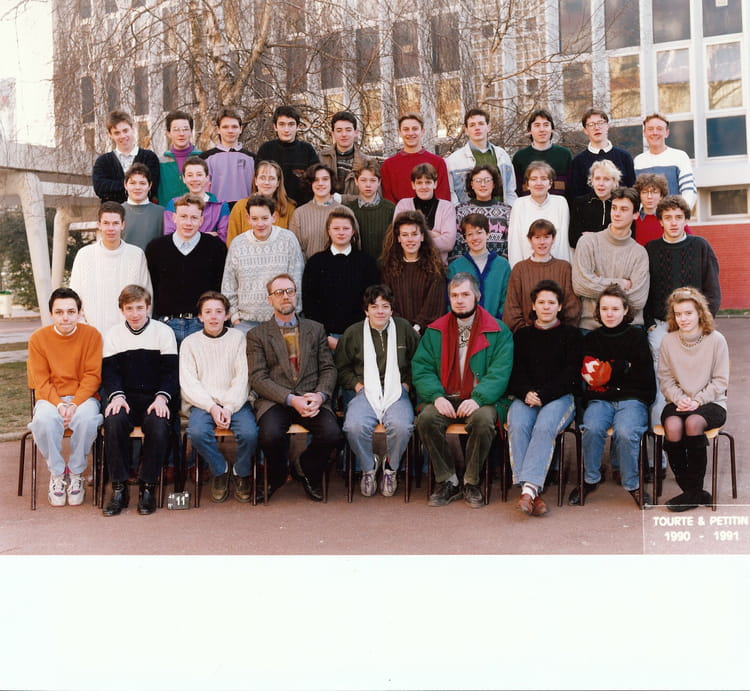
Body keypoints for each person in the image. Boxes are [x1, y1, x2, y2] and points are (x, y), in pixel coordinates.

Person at [412, 272, 513, 508]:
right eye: (454, 295)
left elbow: (500, 372)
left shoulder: (498, 331)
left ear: (477, 296)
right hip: (445, 396)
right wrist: (436, 396)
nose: (459, 300)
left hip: (481, 400)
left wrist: (478, 398)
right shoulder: (435, 330)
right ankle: (448, 479)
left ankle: (471, 481)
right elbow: (422, 368)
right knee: (426, 419)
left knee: (483, 420)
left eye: (465, 294)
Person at [248, 273, 343, 502]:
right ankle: (278, 474)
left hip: (310, 396)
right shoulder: (257, 335)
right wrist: (291, 399)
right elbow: (258, 378)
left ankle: (305, 467)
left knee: (332, 434)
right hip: (276, 399)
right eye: (279, 292)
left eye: (289, 291)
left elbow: (328, 368)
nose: (285, 296)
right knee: (269, 435)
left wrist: (320, 396)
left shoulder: (315, 329)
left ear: (296, 295)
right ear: (270, 299)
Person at [568, 284, 655, 507]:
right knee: (592, 427)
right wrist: (622, 366)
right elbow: (591, 376)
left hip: (632, 400)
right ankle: (590, 479)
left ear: (625, 310)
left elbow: (642, 375)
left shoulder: (637, 337)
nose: (609, 314)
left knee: (625, 432)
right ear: (598, 311)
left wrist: (607, 370)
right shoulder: (591, 339)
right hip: (600, 400)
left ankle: (632, 484)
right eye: (605, 308)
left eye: (615, 309)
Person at [644, 195, 720, 438]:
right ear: (660, 221)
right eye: (668, 217)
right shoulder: (651, 249)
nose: (674, 222)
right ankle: (662, 450)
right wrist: (649, 324)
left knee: (694, 383)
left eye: (679, 217)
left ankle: (691, 440)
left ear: (686, 219)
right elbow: (645, 291)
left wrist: (703, 324)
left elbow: (712, 290)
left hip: (694, 327)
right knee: (661, 387)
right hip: (661, 327)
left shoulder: (700, 246)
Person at [334, 284, 420, 497]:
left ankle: (390, 467)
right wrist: (357, 385)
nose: (380, 311)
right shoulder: (353, 333)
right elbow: (341, 367)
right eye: (374, 306)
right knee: (353, 427)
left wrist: (407, 384)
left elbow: (419, 361)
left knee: (402, 427)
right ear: (366, 310)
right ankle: (368, 467)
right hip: (366, 391)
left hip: (396, 391)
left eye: (385, 306)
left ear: (392, 310)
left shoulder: (404, 329)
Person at [101, 284, 178, 516]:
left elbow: (171, 373)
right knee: (114, 420)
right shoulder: (113, 334)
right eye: (129, 308)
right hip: (126, 398)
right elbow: (110, 372)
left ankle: (148, 487)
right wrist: (116, 396)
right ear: (121, 310)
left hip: (156, 398)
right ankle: (119, 488)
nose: (135, 314)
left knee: (158, 423)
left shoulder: (163, 332)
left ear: (148, 307)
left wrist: (162, 398)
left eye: (139, 308)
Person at [507, 280, 582, 516]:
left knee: (543, 427)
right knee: (517, 424)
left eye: (551, 302)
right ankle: (532, 493)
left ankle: (527, 490)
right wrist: (525, 393)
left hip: (559, 397)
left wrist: (544, 395)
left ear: (560, 306)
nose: (546, 307)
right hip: (527, 396)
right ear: (533, 306)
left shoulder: (571, 335)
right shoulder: (522, 336)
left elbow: (571, 375)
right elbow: (515, 372)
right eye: (541, 302)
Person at [180, 291, 258, 503]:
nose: (213, 317)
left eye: (218, 312)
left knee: (250, 434)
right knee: (196, 432)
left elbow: (243, 377)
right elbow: (189, 382)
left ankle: (241, 472)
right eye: (208, 312)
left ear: (227, 315)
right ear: (200, 317)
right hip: (203, 403)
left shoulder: (238, 339)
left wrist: (229, 407)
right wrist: (212, 407)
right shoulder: (190, 343)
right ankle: (220, 469)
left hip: (236, 402)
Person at [27, 288, 103, 507]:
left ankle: (76, 472)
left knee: (87, 419)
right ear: (51, 314)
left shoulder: (92, 335)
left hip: (84, 397)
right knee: (43, 421)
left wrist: (74, 404)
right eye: (59, 312)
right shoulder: (38, 339)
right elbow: (41, 381)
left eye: (71, 311)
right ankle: (58, 474)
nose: (65, 317)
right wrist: (60, 405)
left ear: (79, 312)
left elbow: (92, 376)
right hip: (51, 398)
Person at [658, 287, 729, 511]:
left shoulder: (716, 340)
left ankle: (691, 494)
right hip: (678, 402)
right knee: (672, 425)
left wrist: (697, 401)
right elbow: (665, 379)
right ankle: (693, 491)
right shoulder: (668, 341)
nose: (683, 319)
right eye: (678, 314)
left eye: (688, 313)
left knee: (693, 422)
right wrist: (680, 399)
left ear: (699, 312)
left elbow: (720, 381)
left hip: (711, 403)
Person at [146, 194, 227, 347]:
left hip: (202, 324)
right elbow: (153, 288)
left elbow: (220, 287)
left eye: (194, 218)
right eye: (183, 216)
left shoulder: (216, 247)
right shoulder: (156, 248)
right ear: (174, 218)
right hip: (166, 325)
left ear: (201, 220)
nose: (188, 223)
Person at [221, 194, 304, 333]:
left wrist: (292, 316)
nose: (260, 224)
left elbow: (297, 280)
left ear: (274, 217)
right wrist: (235, 318)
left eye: (265, 218)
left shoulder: (288, 240)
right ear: (248, 218)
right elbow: (229, 284)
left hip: (282, 320)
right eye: (255, 219)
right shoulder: (238, 244)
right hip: (246, 323)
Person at [301, 206, 379, 349]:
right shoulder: (315, 263)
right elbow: (309, 303)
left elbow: (372, 299)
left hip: (359, 336)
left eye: (346, 228)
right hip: (324, 338)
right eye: (336, 228)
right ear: (328, 231)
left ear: (353, 231)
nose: (341, 232)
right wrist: (325, 336)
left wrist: (359, 333)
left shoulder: (366, 262)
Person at [69, 201, 152, 335]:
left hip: (130, 335)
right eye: (106, 223)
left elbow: (146, 296)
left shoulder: (136, 255)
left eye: (115, 223)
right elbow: (74, 298)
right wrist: (86, 332)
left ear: (123, 225)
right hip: (92, 335)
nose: (110, 228)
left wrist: (138, 331)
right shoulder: (84, 255)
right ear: (99, 225)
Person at [572, 187, 649, 331]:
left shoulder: (639, 253)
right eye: (614, 208)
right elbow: (580, 285)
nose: (617, 213)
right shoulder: (588, 242)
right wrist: (621, 283)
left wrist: (596, 282)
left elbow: (638, 299)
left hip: (629, 328)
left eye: (624, 209)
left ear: (635, 215)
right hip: (591, 327)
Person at [503, 219, 581, 333]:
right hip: (527, 337)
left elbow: (572, 307)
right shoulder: (519, 269)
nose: (542, 242)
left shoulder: (564, 268)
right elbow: (511, 309)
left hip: (560, 336)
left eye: (546, 237)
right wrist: (526, 333)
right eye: (537, 237)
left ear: (553, 239)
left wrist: (561, 332)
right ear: (530, 240)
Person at [380, 210, 446, 334]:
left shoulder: (436, 269)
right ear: (399, 238)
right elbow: (386, 301)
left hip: (426, 335)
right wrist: (404, 328)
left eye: (414, 234)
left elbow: (434, 304)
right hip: (396, 333)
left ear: (422, 237)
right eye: (405, 235)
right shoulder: (388, 268)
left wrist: (417, 327)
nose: (410, 239)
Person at [445, 108, 516, 206]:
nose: (477, 128)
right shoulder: (453, 160)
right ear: (466, 130)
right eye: (472, 125)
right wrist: (459, 212)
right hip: (467, 214)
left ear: (488, 127)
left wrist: (510, 210)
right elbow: (450, 194)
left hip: (500, 213)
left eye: (481, 123)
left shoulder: (502, 155)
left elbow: (510, 191)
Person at [447, 213, 510, 320]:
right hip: (463, 325)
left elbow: (507, 299)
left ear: (487, 234)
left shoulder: (502, 266)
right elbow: (450, 302)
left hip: (496, 326)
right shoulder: (455, 267)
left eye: (479, 232)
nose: (475, 238)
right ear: (465, 238)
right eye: (470, 234)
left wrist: (497, 323)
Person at [507, 161, 570, 266]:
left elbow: (564, 243)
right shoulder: (519, 204)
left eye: (544, 179)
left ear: (550, 183)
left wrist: (563, 270)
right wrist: (517, 270)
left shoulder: (560, 203)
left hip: (555, 268)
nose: (539, 183)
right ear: (527, 184)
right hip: (526, 269)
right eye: (533, 179)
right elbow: (515, 243)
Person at [256, 105, 320, 205]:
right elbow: (259, 181)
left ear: (298, 126)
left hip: (301, 208)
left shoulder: (307, 150)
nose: (286, 129)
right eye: (282, 124)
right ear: (275, 127)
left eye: (291, 124)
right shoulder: (266, 149)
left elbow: (316, 181)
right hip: (271, 207)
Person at [393, 163, 456, 263]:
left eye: (428, 182)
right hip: (408, 266)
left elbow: (448, 243)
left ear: (435, 184)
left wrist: (414, 239)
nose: (424, 186)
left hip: (438, 267)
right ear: (413, 185)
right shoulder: (403, 205)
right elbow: (396, 238)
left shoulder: (447, 207)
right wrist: (434, 234)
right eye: (419, 183)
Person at [92, 110, 160, 204]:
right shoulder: (102, 161)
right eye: (117, 133)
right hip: (112, 212)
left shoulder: (149, 157)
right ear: (110, 135)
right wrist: (136, 186)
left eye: (125, 130)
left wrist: (113, 189)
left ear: (132, 128)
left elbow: (152, 188)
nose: (122, 136)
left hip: (142, 211)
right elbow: (100, 189)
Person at [380, 112, 450, 203]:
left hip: (433, 212)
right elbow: (388, 201)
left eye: (415, 129)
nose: (410, 133)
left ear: (422, 131)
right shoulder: (388, 165)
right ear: (399, 132)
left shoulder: (438, 162)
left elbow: (443, 198)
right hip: (400, 212)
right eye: (406, 129)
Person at [634, 113, 697, 209]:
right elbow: (635, 195)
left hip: (672, 216)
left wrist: (680, 214)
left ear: (667, 133)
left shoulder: (680, 157)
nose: (655, 132)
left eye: (659, 129)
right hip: (646, 217)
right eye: (650, 129)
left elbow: (689, 191)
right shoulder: (638, 161)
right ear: (644, 133)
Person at [226, 160, 297, 245]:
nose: (267, 182)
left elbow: (292, 242)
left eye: (272, 178)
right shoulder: (240, 207)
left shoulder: (289, 208)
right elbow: (232, 242)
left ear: (278, 182)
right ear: (256, 181)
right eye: (262, 178)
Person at [570, 108, 635, 198]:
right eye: (591, 124)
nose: (596, 127)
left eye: (600, 123)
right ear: (585, 130)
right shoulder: (578, 161)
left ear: (607, 126)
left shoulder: (624, 157)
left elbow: (632, 191)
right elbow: (576, 196)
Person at [162, 156, 230, 243]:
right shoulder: (173, 204)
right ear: (184, 178)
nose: (194, 179)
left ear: (207, 178)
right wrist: (208, 236)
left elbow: (223, 239)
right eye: (190, 175)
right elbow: (169, 237)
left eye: (199, 175)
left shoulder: (221, 207)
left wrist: (185, 235)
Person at [452, 164, 512, 259]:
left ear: (494, 184)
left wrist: (500, 264)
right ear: (471, 184)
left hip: (499, 265)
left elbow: (510, 244)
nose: (483, 184)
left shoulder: (507, 211)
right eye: (478, 180)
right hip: (467, 265)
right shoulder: (460, 211)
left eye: (487, 180)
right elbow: (457, 245)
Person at [199, 108, 256, 208]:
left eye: (234, 127)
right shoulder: (205, 158)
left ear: (240, 129)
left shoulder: (252, 158)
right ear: (218, 129)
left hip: (246, 211)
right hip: (217, 211)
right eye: (225, 127)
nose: (230, 131)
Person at [512, 109, 573, 198]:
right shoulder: (520, 157)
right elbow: (517, 190)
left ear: (552, 129)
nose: (542, 129)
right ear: (529, 130)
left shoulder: (564, 155)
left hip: (559, 205)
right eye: (537, 125)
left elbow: (571, 189)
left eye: (546, 125)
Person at [344, 160, 396, 262]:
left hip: (384, 265)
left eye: (372, 180)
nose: (368, 185)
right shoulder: (349, 210)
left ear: (379, 182)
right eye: (363, 180)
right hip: (357, 265)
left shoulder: (390, 209)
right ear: (356, 181)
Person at [289, 163, 340, 259]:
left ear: (331, 182)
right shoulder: (299, 214)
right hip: (307, 267)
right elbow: (293, 250)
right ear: (310, 183)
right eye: (315, 180)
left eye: (325, 179)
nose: (320, 183)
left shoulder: (344, 212)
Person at [318, 111, 373, 196]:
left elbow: (373, 196)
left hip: (356, 205)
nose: (344, 134)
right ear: (333, 133)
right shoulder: (321, 158)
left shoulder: (367, 162)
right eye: (339, 130)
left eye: (348, 130)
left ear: (356, 132)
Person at [569, 159, 621, 249]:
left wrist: (590, 236)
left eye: (606, 179)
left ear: (614, 181)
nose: (601, 183)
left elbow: (623, 238)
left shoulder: (620, 204)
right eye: (597, 178)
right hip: (587, 255)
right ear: (592, 180)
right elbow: (573, 240)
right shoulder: (580, 203)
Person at [157, 110, 200, 204]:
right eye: (176, 129)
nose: (181, 133)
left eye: (185, 129)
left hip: (198, 211)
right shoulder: (160, 163)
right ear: (168, 133)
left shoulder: (203, 159)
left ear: (191, 132)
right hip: (168, 211)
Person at [122, 163, 165, 250]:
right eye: (133, 183)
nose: (137, 187)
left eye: (142, 183)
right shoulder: (117, 211)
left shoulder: (161, 213)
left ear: (149, 185)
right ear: (125, 185)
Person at [633, 173, 670, 246]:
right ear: (639, 195)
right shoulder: (632, 220)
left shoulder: (670, 219)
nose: (649, 197)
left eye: (654, 192)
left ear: (661, 196)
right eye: (644, 192)